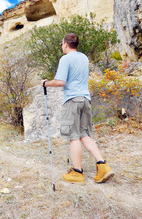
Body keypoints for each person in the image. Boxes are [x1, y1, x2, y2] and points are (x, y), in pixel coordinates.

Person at [41, 33, 114, 185]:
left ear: (66, 44)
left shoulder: (66, 59)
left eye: (61, 44)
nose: (61, 46)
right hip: (85, 99)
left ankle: (77, 172)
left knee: (73, 136)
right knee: (84, 134)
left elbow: (60, 82)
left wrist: (45, 83)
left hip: (72, 100)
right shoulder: (84, 58)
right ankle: (103, 166)